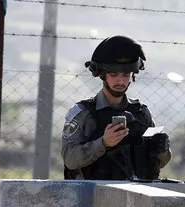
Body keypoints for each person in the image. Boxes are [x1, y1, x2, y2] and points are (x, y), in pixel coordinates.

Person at [61, 35, 171, 180]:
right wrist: (103, 143)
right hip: (93, 196)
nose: (120, 80)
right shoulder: (84, 114)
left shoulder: (141, 113)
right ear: (102, 76)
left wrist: (161, 149)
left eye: (126, 75)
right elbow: (70, 159)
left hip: (138, 196)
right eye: (113, 74)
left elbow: (160, 163)